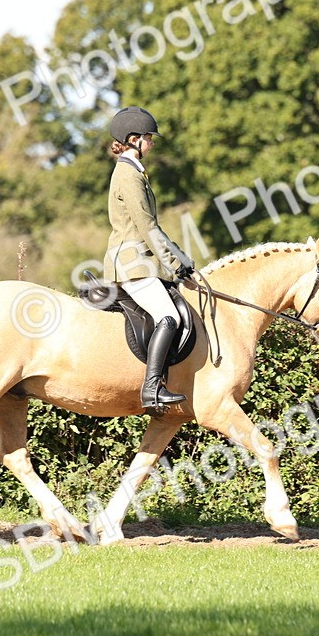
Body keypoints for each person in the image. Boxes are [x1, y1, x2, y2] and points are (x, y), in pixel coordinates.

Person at [103, 106, 195, 411]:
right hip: (132, 264)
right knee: (169, 317)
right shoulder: (128, 175)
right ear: (132, 139)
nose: (151, 143)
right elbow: (147, 226)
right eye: (147, 137)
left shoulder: (133, 172)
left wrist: (181, 258)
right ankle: (152, 388)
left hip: (139, 261)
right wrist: (174, 264)